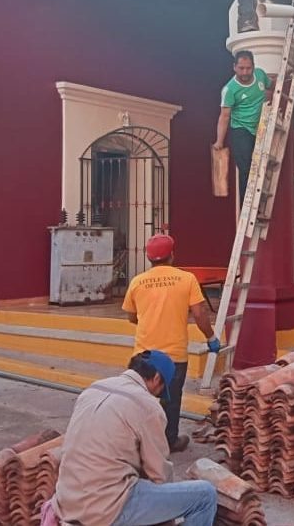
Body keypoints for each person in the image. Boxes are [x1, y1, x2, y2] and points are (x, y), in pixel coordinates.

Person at [52, 350, 218, 526]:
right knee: (205, 495)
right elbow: (159, 474)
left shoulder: (93, 388)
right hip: (105, 510)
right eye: (161, 390)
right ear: (156, 378)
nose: (157, 395)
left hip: (66, 501)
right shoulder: (147, 406)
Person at [123, 233, 221, 453]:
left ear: (148, 257)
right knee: (171, 400)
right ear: (172, 255)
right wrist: (211, 338)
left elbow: (131, 316)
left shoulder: (137, 282)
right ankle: (169, 441)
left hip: (143, 355)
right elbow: (200, 313)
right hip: (174, 356)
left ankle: (137, 441)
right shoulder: (186, 279)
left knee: (140, 398)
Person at [213, 50, 271, 204]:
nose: (245, 72)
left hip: (259, 128)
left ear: (253, 66)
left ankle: (260, 201)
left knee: (261, 164)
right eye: (241, 68)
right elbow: (224, 116)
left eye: (248, 68)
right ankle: (248, 204)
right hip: (240, 130)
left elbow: (271, 85)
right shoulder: (230, 89)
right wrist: (219, 141)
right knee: (246, 167)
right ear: (234, 67)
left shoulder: (260, 75)